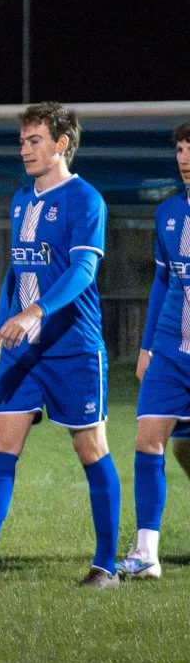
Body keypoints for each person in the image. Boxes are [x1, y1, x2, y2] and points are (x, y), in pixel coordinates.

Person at [0, 102, 121, 592]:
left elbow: (83, 271)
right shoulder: (21, 200)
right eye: (21, 141)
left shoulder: (85, 199)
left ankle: (106, 566)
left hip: (73, 346)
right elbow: (15, 274)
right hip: (21, 349)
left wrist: (35, 312)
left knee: (91, 448)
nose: (24, 149)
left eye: (34, 140)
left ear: (62, 144)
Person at [123, 122, 190, 580]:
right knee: (148, 440)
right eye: (180, 150)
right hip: (170, 351)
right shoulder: (168, 212)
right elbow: (163, 282)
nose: (184, 158)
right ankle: (146, 553)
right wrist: (146, 346)